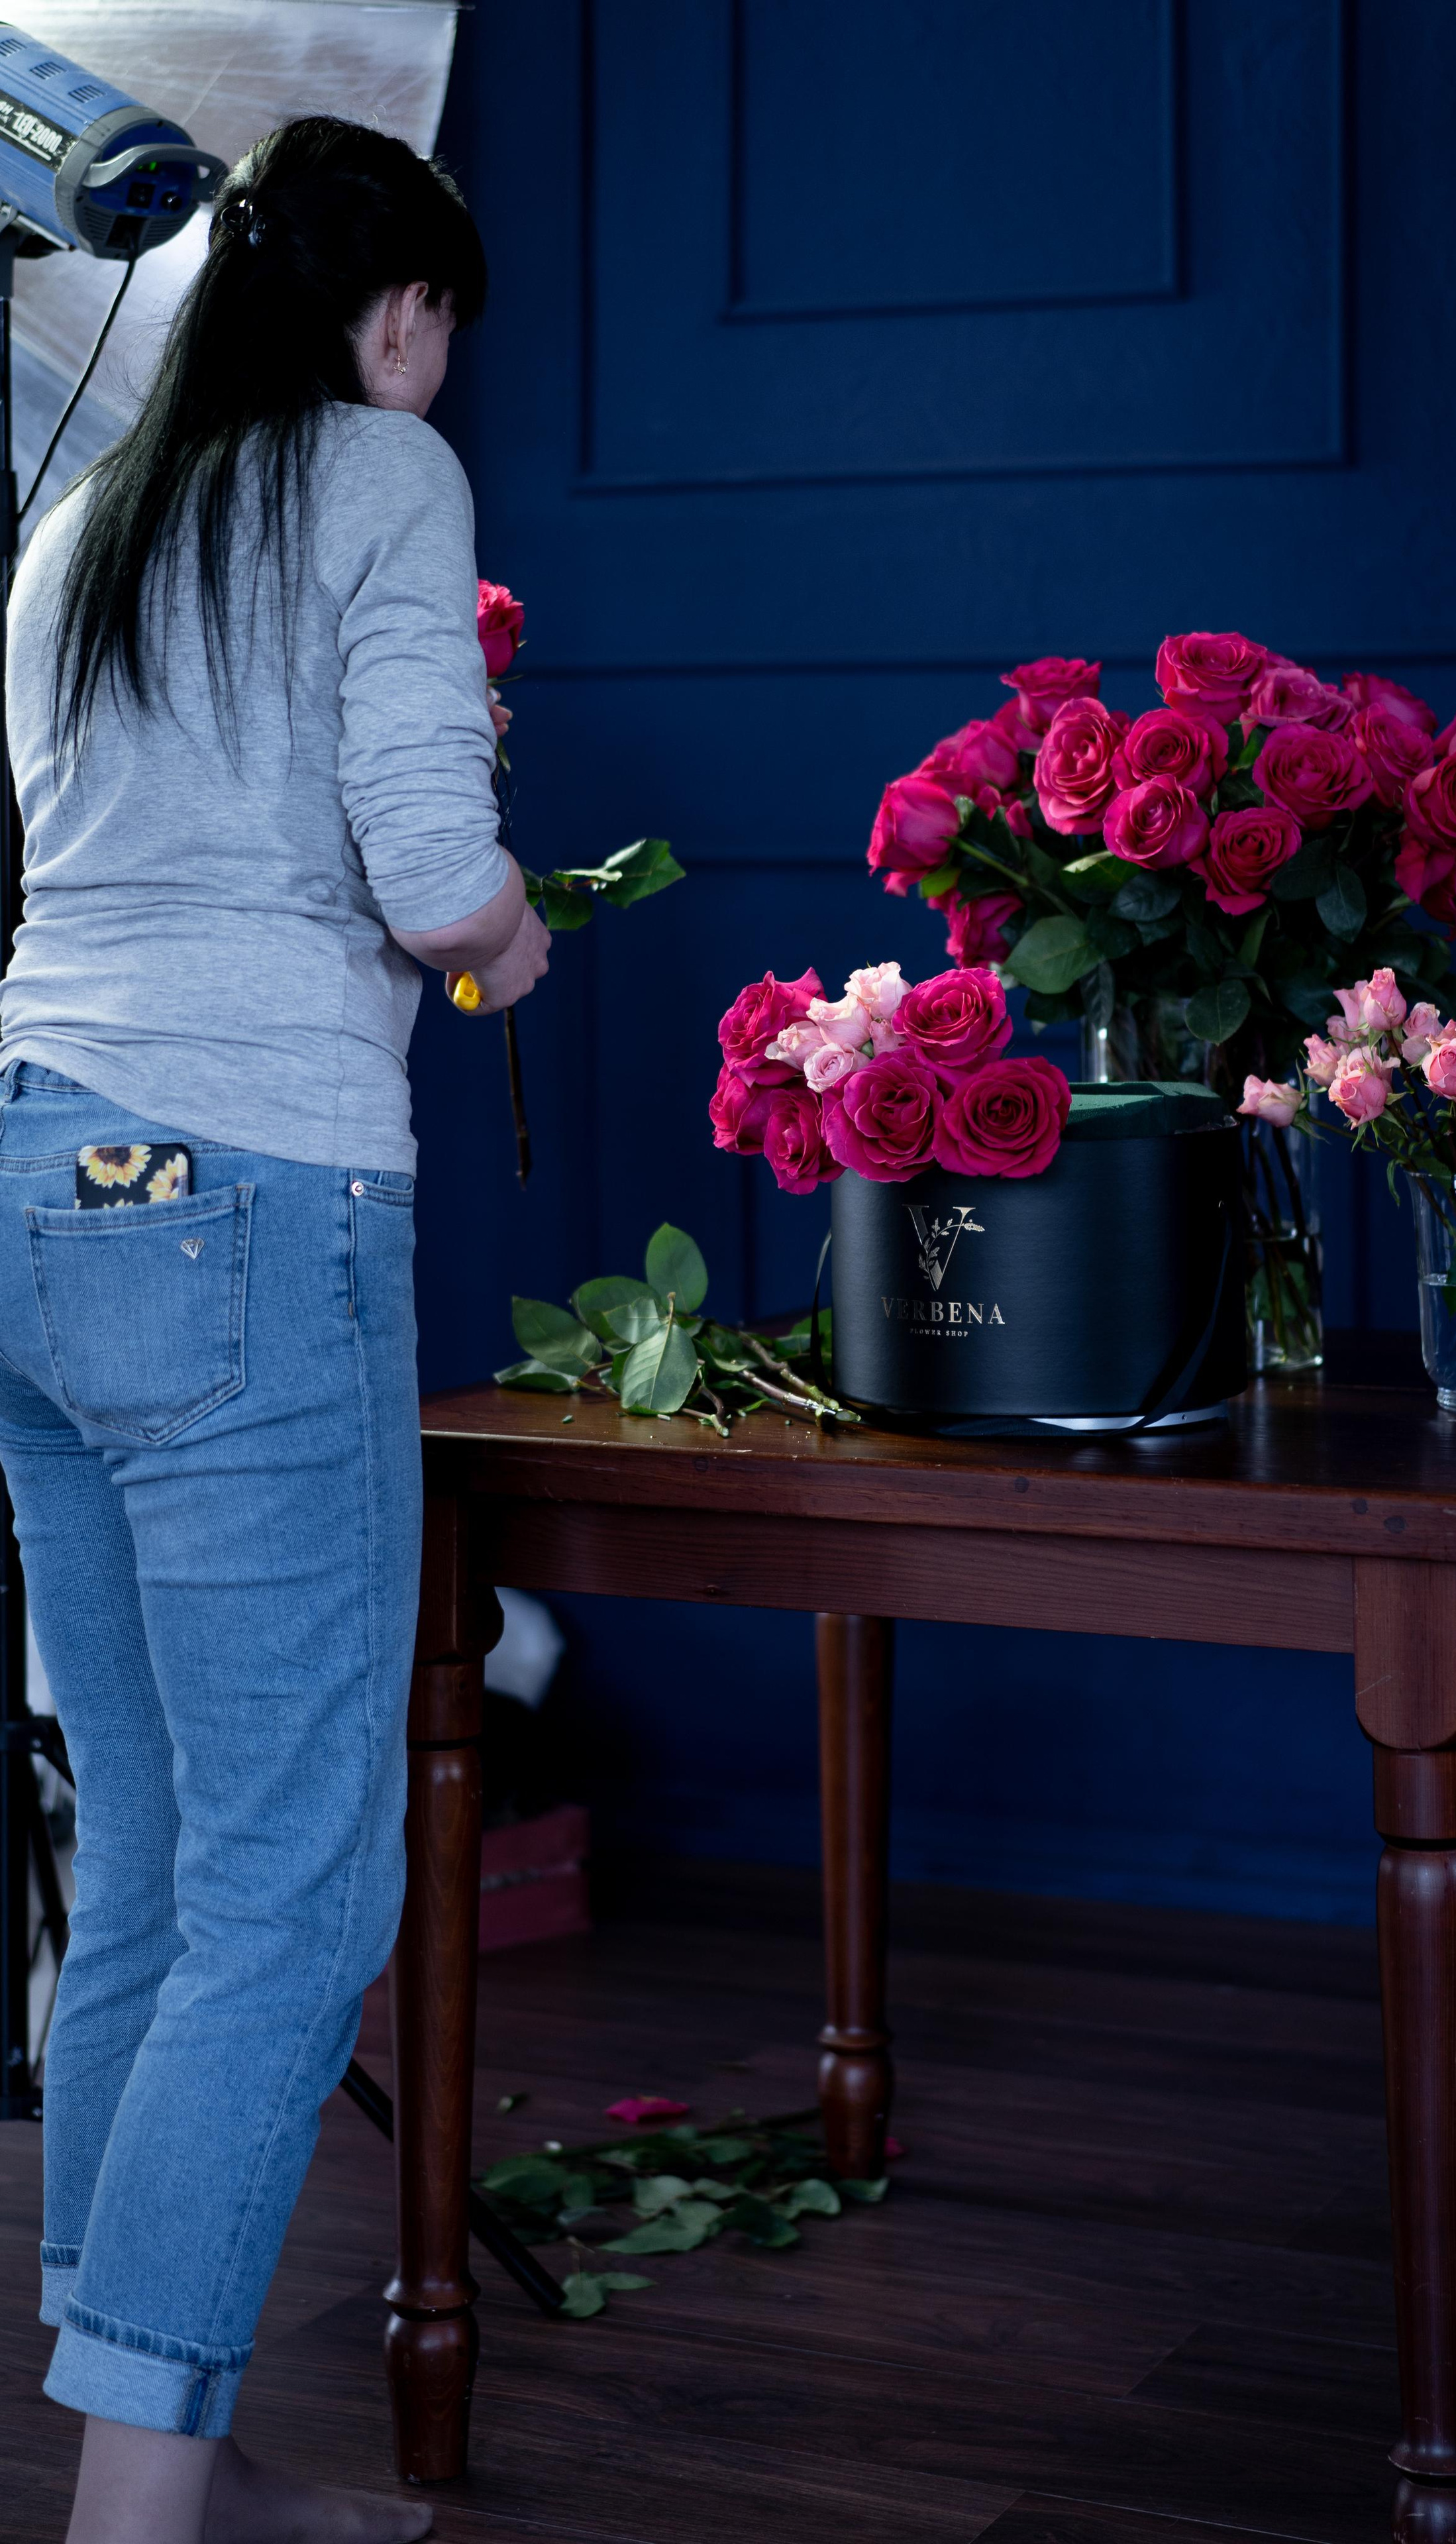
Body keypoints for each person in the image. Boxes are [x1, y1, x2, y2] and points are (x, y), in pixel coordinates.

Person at [0, 115, 548, 2543]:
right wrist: (509, 938)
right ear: (400, 311)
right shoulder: (376, 473)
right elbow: (429, 879)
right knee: (299, 1891)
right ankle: (135, 2525)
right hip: (243, 1192)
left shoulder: (75, 528)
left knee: (143, 1845)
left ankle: (140, 2470)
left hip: (32, 1177)